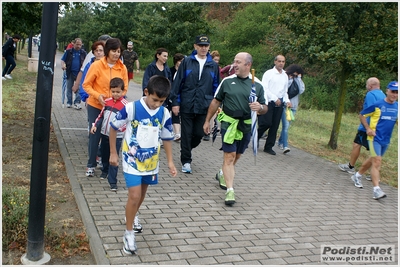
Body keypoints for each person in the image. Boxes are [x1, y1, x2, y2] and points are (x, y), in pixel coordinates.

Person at [109, 75, 177, 255]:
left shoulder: (164, 113)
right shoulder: (131, 108)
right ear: (146, 92)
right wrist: (113, 152)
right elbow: (113, 127)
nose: (157, 104)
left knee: (141, 195)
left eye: (161, 101)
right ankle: (128, 233)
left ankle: (131, 215)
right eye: (155, 99)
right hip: (131, 160)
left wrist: (170, 161)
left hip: (151, 162)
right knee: (134, 195)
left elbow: (167, 137)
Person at [203, 52, 267, 205]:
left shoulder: (257, 85)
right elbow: (215, 102)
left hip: (246, 125)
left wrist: (260, 107)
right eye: (234, 61)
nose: (234, 65)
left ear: (248, 65)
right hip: (229, 123)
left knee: (237, 156)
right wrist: (207, 121)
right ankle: (230, 190)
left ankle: (222, 173)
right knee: (229, 156)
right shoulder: (227, 81)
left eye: (238, 62)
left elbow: (265, 107)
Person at [170, 34, 220, 173]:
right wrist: (175, 102)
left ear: (209, 47)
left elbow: (217, 87)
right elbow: (177, 83)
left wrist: (216, 105)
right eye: (201, 45)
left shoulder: (213, 65)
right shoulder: (187, 62)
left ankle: (186, 148)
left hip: (204, 105)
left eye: (206, 46)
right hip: (187, 103)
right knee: (186, 133)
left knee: (199, 133)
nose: (203, 48)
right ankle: (186, 161)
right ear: (195, 46)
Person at [82, 37, 128, 178]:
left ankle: (105, 161)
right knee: (95, 134)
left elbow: (125, 88)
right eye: (113, 51)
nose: (116, 54)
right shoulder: (96, 65)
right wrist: (98, 96)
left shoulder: (122, 67)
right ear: (107, 51)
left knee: (110, 135)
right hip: (96, 105)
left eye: (118, 51)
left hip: (114, 107)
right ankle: (91, 165)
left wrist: (116, 99)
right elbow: (86, 85)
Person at [350, 81, 398, 200]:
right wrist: (368, 128)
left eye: (397, 92)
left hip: (385, 140)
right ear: (387, 91)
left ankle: (357, 175)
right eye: (393, 91)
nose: (395, 95)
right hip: (374, 138)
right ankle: (376, 190)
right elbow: (362, 115)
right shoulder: (378, 105)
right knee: (377, 162)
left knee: (373, 159)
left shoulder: (397, 106)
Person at [338, 77, 386, 176]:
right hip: (379, 127)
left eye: (366, 85)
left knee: (357, 144)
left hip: (367, 126)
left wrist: (366, 126)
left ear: (370, 85)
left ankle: (351, 166)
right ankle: (373, 173)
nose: (366, 87)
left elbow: (369, 110)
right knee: (375, 150)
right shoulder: (383, 95)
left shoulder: (370, 94)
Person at [90, 77, 128, 191]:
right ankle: (104, 171)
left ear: (123, 91)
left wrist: (121, 128)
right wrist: (95, 125)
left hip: (117, 136)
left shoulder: (126, 105)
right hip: (104, 133)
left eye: (118, 92)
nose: (115, 94)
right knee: (105, 153)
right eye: (113, 91)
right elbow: (101, 115)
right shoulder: (107, 102)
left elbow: (128, 121)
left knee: (114, 157)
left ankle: (113, 182)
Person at [257, 55, 291, 155]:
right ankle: (256, 136)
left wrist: (287, 100)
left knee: (275, 125)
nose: (281, 63)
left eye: (283, 61)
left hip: (280, 103)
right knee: (267, 123)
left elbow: (285, 91)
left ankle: (268, 146)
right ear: (275, 62)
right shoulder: (269, 73)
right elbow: (265, 88)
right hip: (269, 101)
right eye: (279, 61)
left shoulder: (285, 75)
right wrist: (274, 98)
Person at [277, 64, 305, 154]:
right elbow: (284, 89)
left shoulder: (298, 80)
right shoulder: (286, 78)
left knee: (287, 127)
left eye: (297, 74)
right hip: (286, 106)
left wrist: (298, 78)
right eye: (294, 74)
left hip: (294, 106)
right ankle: (285, 146)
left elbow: (301, 90)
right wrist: (290, 78)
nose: (295, 76)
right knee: (285, 126)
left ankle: (280, 142)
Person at [61, 38, 87, 109]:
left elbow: (87, 62)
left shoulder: (83, 53)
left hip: (80, 73)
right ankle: (69, 102)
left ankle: (77, 102)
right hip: (70, 72)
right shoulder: (69, 52)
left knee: (78, 88)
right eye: (77, 44)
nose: (78, 46)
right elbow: (63, 60)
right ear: (73, 44)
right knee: (69, 87)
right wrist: (63, 65)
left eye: (80, 44)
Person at [203, 50, 222, 141]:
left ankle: (208, 132)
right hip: (205, 94)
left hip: (213, 95)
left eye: (218, 60)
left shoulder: (217, 68)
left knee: (212, 114)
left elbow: (218, 81)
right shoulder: (206, 67)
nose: (216, 62)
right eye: (215, 59)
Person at [169, 53, 185, 141]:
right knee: (170, 114)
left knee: (177, 114)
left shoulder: (184, 71)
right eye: (180, 61)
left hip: (180, 96)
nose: (182, 63)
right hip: (169, 95)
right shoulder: (170, 70)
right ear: (176, 61)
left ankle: (178, 133)